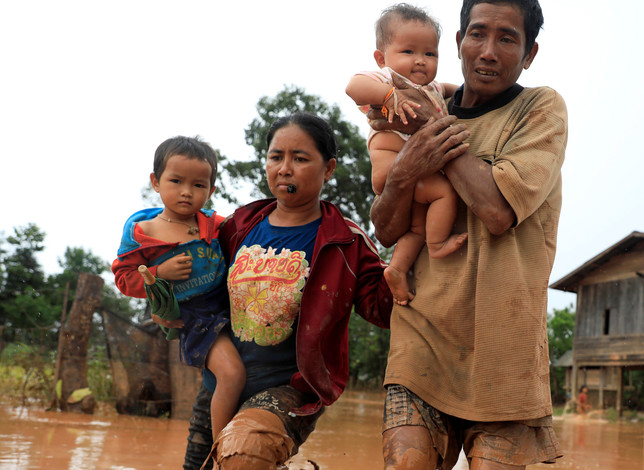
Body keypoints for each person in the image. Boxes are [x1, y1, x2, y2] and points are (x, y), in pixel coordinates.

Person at [369, 0, 568, 468]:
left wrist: (430, 129)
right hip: (421, 342)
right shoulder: (415, 109)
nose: (489, 51)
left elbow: (496, 212)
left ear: (530, 53)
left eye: (507, 38)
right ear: (458, 43)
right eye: (477, 34)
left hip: (505, 351)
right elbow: (387, 229)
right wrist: (403, 174)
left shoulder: (539, 109)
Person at [157, 113, 395, 469]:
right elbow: (202, 284)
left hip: (289, 390)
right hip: (221, 384)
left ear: (328, 168)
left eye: (300, 158)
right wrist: (165, 304)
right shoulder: (238, 226)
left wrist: (409, 258)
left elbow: (382, 309)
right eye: (276, 157)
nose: (285, 168)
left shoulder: (345, 241)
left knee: (244, 455)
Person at [112, 136, 245, 441]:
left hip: (231, 307)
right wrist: (159, 272)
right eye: (176, 181)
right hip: (195, 318)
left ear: (211, 191)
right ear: (156, 182)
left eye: (199, 185)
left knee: (248, 371)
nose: (187, 192)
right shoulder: (144, 233)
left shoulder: (215, 224)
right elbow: (124, 279)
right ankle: (222, 448)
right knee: (232, 373)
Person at [346, 3, 466, 305]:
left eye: (430, 54)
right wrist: (390, 96)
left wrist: (466, 92)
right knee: (445, 194)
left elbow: (459, 91)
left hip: (415, 177)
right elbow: (353, 87)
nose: (420, 61)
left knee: (416, 226)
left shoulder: (433, 87)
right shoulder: (388, 79)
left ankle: (397, 269)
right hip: (390, 165)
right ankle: (437, 245)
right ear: (381, 57)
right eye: (408, 52)